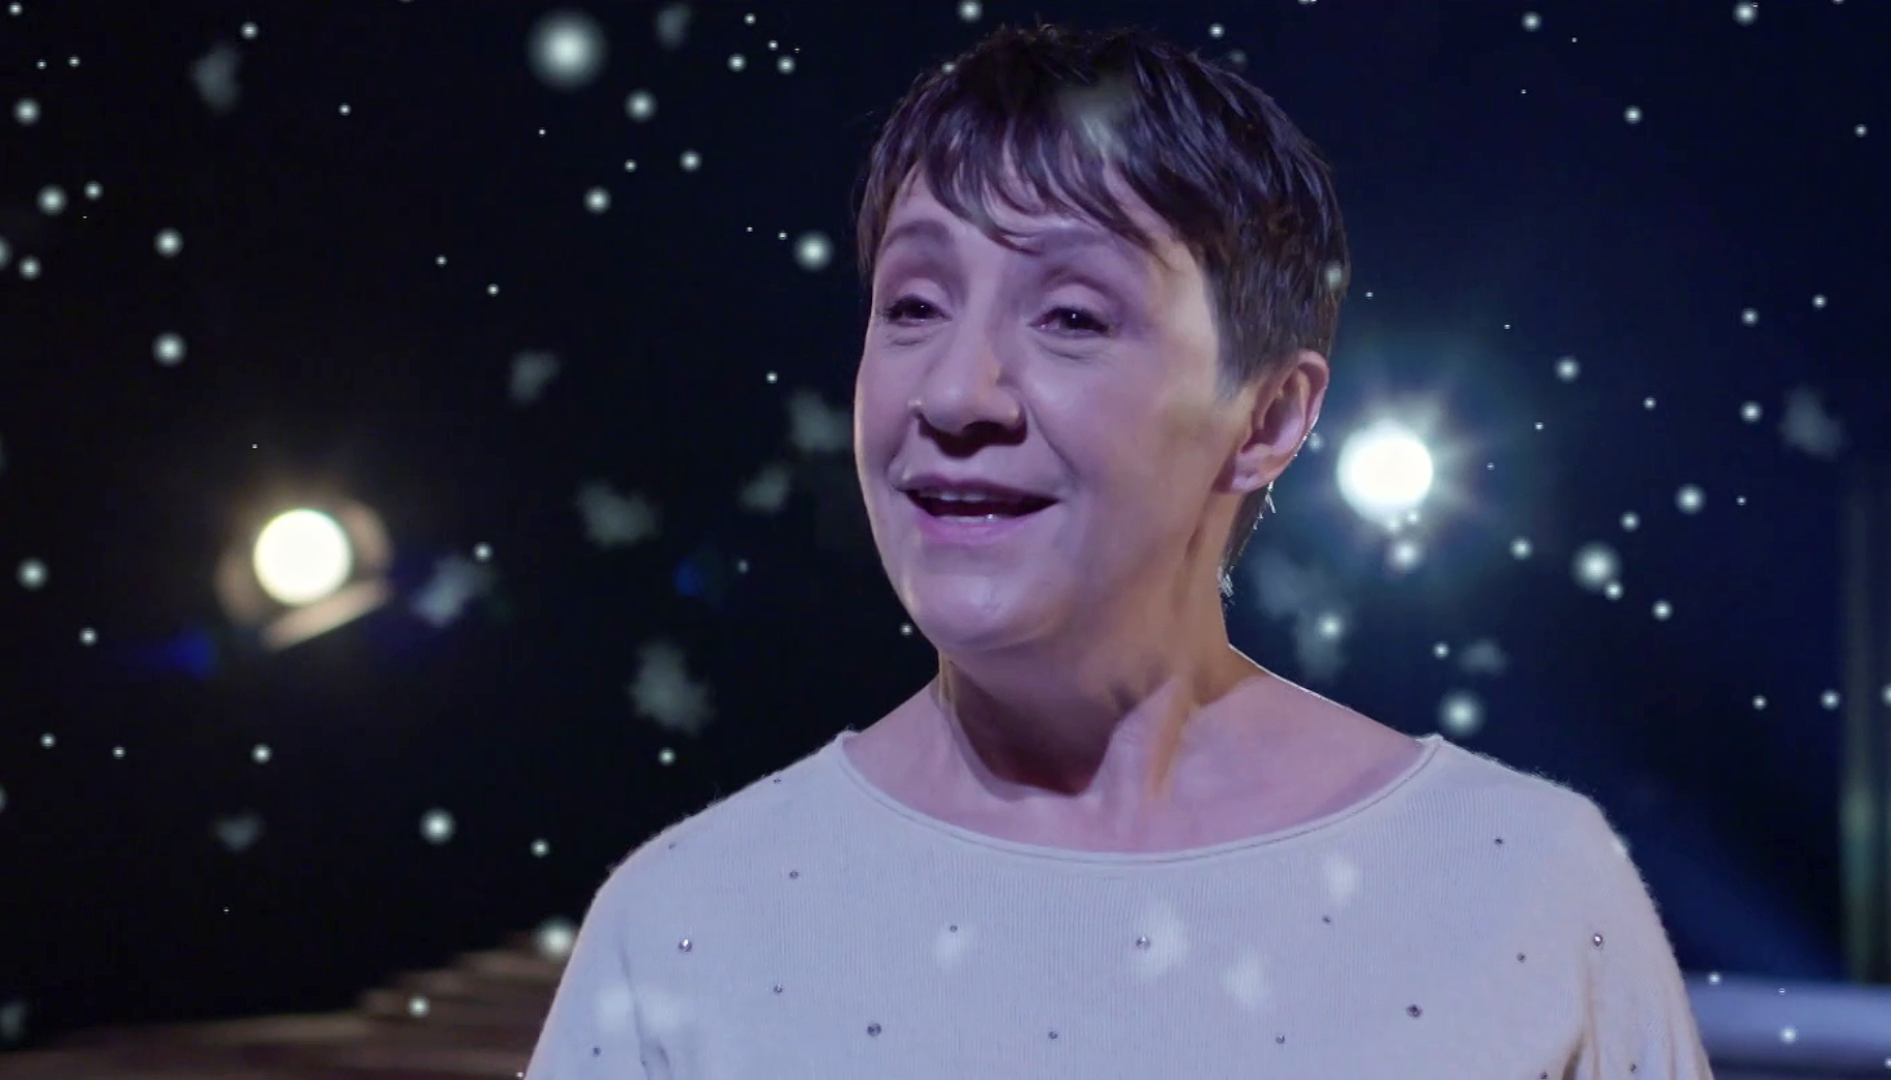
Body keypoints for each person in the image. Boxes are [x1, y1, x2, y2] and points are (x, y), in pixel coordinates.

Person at [525, 21, 1715, 1079]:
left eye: (1072, 317)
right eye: (914, 305)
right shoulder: (685, 924)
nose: (956, 393)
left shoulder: (1522, 888)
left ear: (1269, 418)